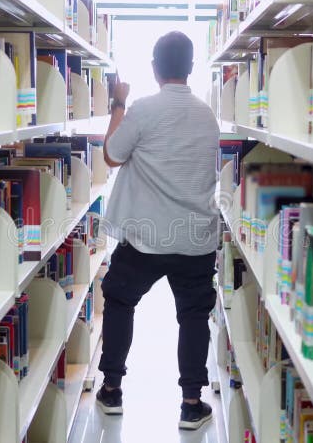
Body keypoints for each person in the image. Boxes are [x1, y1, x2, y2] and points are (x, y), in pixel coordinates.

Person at [94, 31, 221, 431]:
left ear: (154, 68)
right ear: (191, 67)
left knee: (119, 300)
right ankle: (191, 403)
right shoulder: (207, 115)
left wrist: (118, 102)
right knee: (194, 315)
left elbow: (112, 154)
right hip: (194, 236)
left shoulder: (144, 110)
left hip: (145, 237)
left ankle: (111, 390)